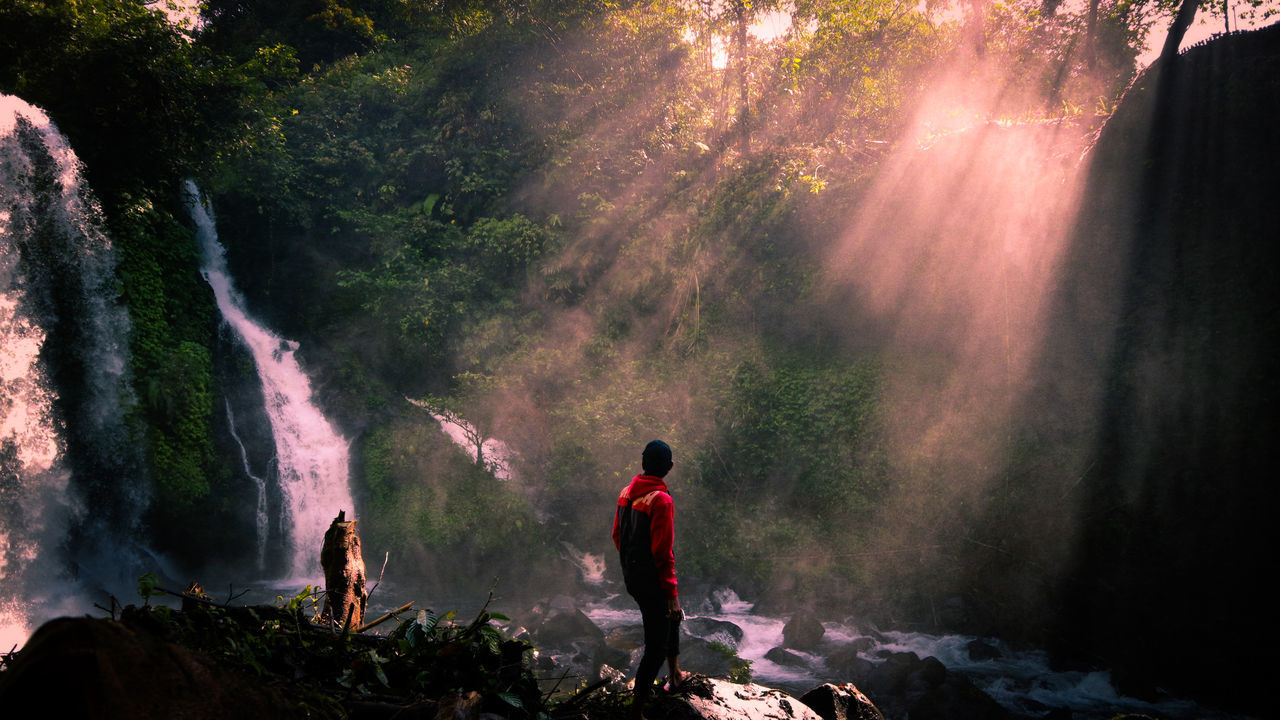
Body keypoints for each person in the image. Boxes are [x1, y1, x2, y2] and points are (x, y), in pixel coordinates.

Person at [612, 439, 684, 720]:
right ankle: (637, 711)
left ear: (643, 464)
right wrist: (672, 593)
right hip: (653, 580)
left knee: (672, 618)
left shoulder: (625, 493)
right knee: (656, 646)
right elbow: (662, 553)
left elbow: (618, 535)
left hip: (634, 576)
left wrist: (633, 563)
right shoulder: (661, 500)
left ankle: (676, 674)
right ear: (670, 467)